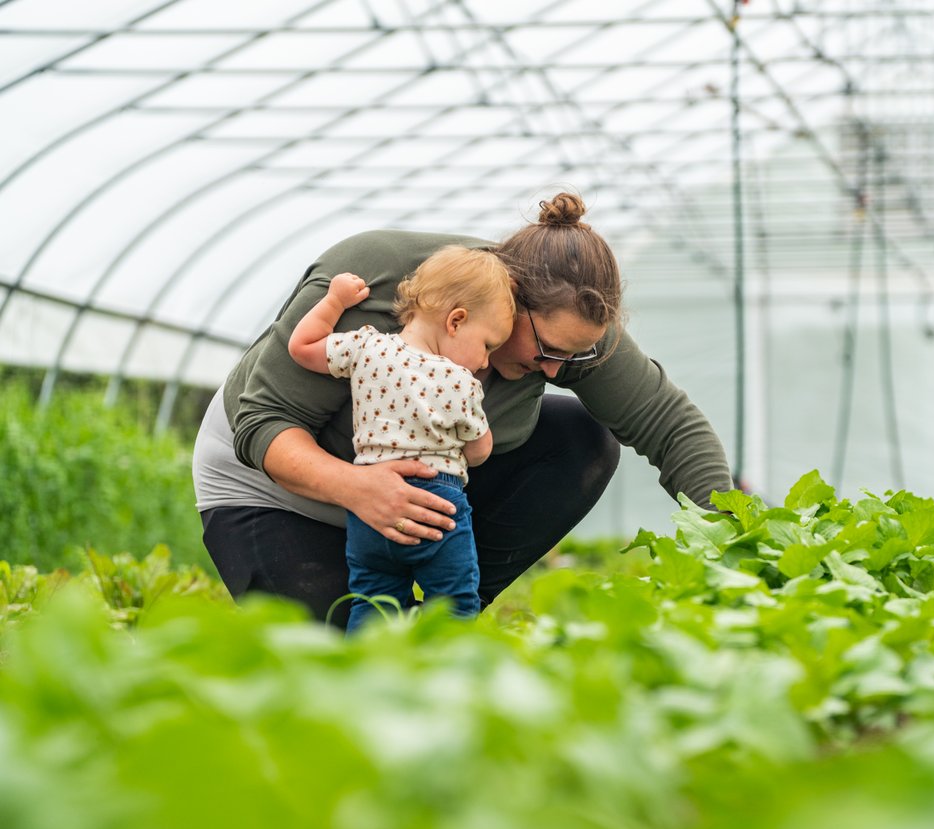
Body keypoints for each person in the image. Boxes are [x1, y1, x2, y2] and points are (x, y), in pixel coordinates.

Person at [193, 192, 732, 629]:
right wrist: (357, 488)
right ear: (508, 298)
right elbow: (263, 423)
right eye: (547, 350)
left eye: (571, 357)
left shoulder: (570, 329)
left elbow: (668, 424)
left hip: (420, 487)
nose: (554, 370)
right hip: (276, 490)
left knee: (580, 439)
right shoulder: (375, 279)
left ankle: (452, 608)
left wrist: (732, 538)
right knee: (347, 660)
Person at [285, 246, 515, 632]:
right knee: (455, 603)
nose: (485, 361)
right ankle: (449, 663)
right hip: (436, 507)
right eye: (488, 345)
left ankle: (368, 663)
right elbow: (480, 451)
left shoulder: (368, 348)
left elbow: (302, 347)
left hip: (370, 506)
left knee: (373, 599)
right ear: (456, 321)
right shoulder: (461, 381)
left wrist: (334, 300)